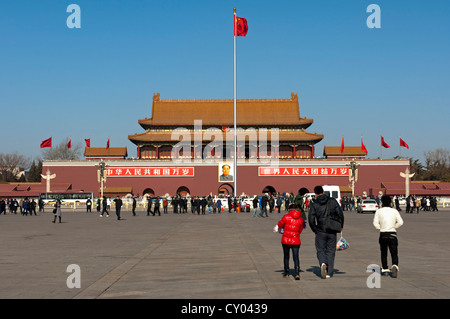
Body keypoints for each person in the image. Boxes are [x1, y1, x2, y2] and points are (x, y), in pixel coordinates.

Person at [308, 185, 344, 279]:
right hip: (332, 230)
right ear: (323, 191)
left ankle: (323, 262)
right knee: (331, 251)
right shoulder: (332, 201)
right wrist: (341, 226)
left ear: (315, 194)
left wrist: (314, 229)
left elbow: (311, 218)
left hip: (320, 230)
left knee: (320, 249)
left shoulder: (315, 203)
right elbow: (340, 214)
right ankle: (329, 272)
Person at [373, 195, 404, 278]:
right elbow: (401, 222)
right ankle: (394, 266)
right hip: (392, 234)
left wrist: (382, 227)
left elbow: (375, 224)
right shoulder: (394, 211)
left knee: (384, 253)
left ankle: (385, 269)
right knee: (394, 253)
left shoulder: (379, 211)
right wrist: (393, 227)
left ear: (382, 202)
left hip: (383, 234)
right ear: (390, 202)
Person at [277, 204, 305, 280]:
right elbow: (300, 230)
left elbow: (280, 225)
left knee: (286, 256)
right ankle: (297, 272)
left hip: (285, 240)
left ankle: (286, 272)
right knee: (296, 257)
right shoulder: (301, 219)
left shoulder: (286, 217)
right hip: (296, 240)